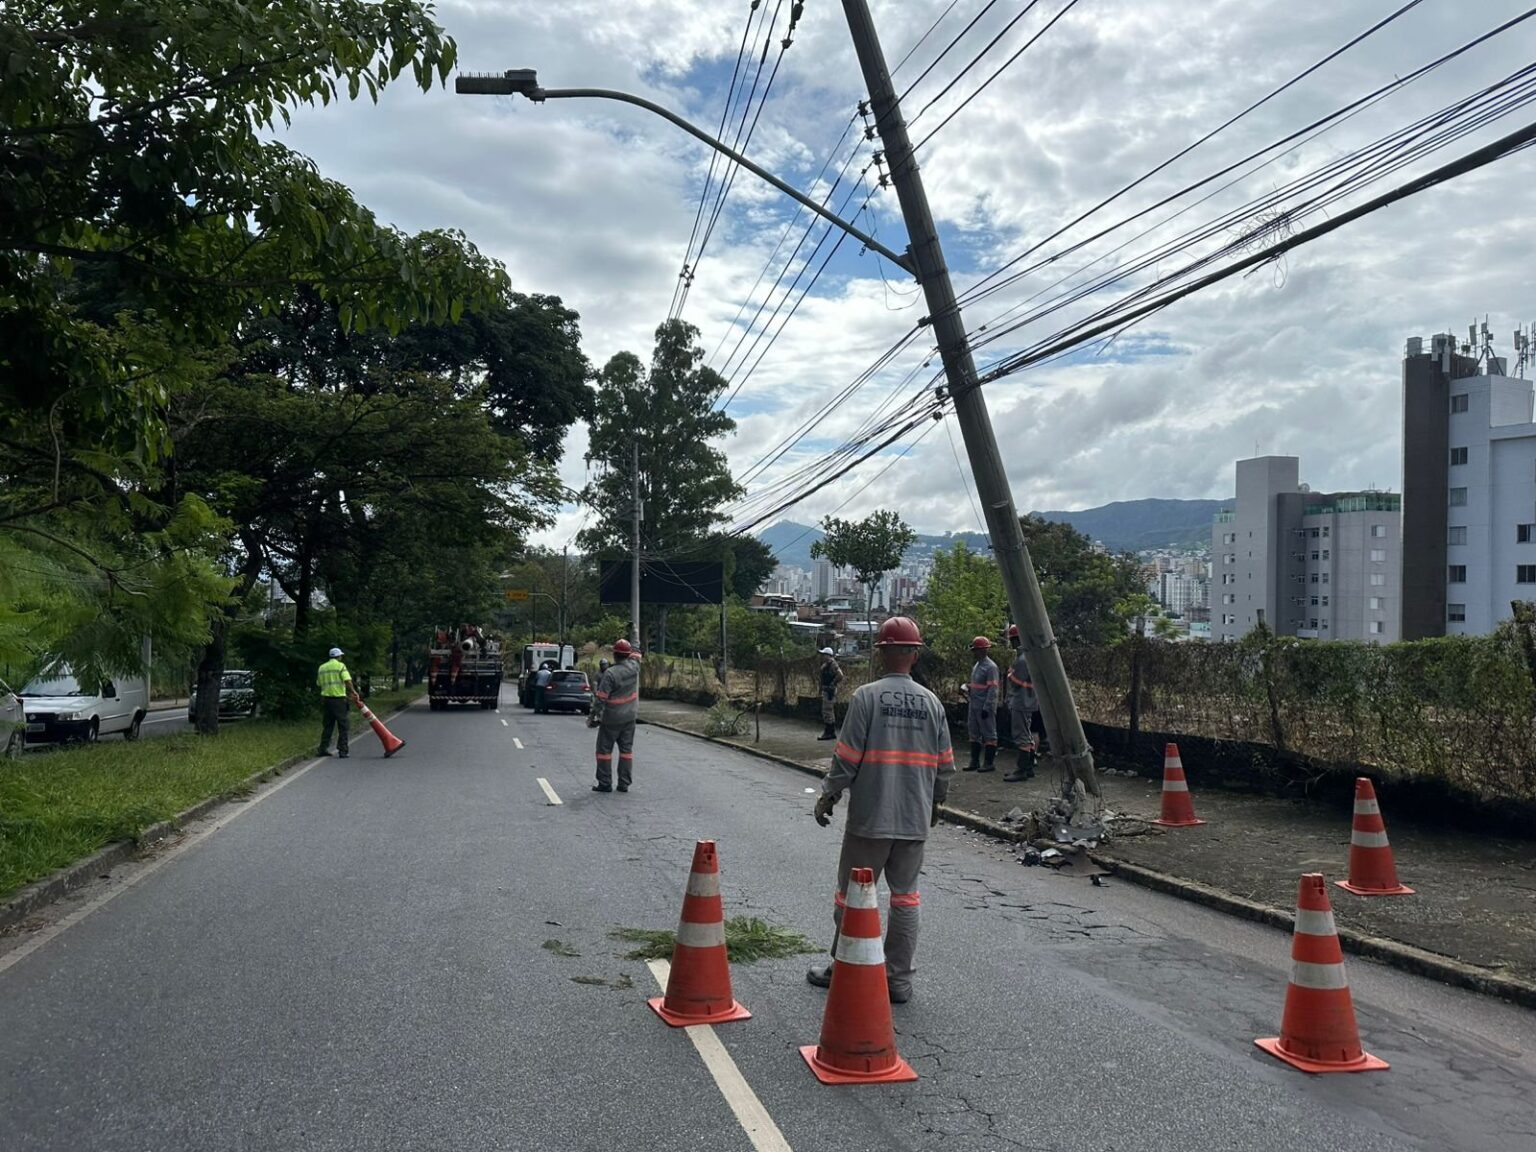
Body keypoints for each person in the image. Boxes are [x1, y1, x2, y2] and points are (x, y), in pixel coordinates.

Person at [807, 616, 954, 1004]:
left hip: (871, 819)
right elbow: (945, 764)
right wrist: (936, 802)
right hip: (914, 818)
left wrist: (829, 795)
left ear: (883, 652)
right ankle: (898, 981)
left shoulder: (867, 697)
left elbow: (847, 757)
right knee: (905, 898)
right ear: (915, 653)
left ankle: (843, 967)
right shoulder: (932, 703)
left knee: (853, 895)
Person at [588, 638, 640, 793]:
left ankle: (605, 783)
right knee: (626, 751)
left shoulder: (610, 674)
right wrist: (635, 632)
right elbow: (637, 650)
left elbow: (601, 699)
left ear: (615, 655)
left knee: (604, 752)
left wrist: (592, 717)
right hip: (630, 717)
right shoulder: (634, 667)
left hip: (611, 719)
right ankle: (624, 783)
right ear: (628, 654)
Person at [1003, 624, 1039, 782]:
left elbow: (1015, 681)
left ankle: (1021, 770)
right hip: (1028, 701)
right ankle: (1029, 768)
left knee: (1021, 735)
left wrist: (1010, 673)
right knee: (1027, 734)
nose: (1011, 643)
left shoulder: (1022, 660)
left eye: (1012, 640)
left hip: (1021, 701)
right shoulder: (1029, 656)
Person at [316, 646, 360, 758]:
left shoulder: (322, 667)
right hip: (339, 700)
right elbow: (347, 680)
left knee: (328, 725)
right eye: (341, 655)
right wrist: (353, 692)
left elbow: (319, 683)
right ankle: (343, 750)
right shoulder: (340, 666)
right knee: (343, 725)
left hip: (326, 700)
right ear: (338, 656)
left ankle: (323, 748)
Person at [965, 635, 1000, 772]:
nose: (975, 653)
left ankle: (989, 763)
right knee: (974, 733)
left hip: (984, 706)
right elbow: (979, 685)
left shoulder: (991, 667)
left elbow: (993, 689)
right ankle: (974, 761)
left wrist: (988, 706)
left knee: (989, 734)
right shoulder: (977, 666)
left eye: (977, 650)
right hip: (974, 704)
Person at [816, 646, 844, 740]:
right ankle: (829, 731)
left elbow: (840, 675)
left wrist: (832, 684)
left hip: (829, 690)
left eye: (824, 655)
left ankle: (829, 732)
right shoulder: (826, 665)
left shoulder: (832, 664)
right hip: (827, 689)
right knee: (826, 711)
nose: (822, 656)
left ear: (828, 655)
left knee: (828, 711)